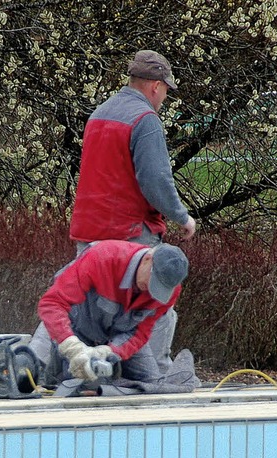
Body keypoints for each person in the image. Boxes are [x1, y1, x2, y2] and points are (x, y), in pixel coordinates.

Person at [70, 49, 196, 251]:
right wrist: (181, 217)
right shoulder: (145, 120)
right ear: (156, 86)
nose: (164, 98)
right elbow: (156, 179)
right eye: (166, 90)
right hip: (129, 235)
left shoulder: (98, 114)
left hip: (88, 234)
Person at [33, 239, 189, 386]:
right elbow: (52, 304)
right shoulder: (102, 257)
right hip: (78, 332)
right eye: (153, 280)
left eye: (159, 287)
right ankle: (56, 374)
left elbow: (141, 333)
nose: (151, 289)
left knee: (152, 384)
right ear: (147, 259)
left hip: (121, 335)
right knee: (83, 386)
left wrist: (110, 351)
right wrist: (71, 347)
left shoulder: (168, 290)